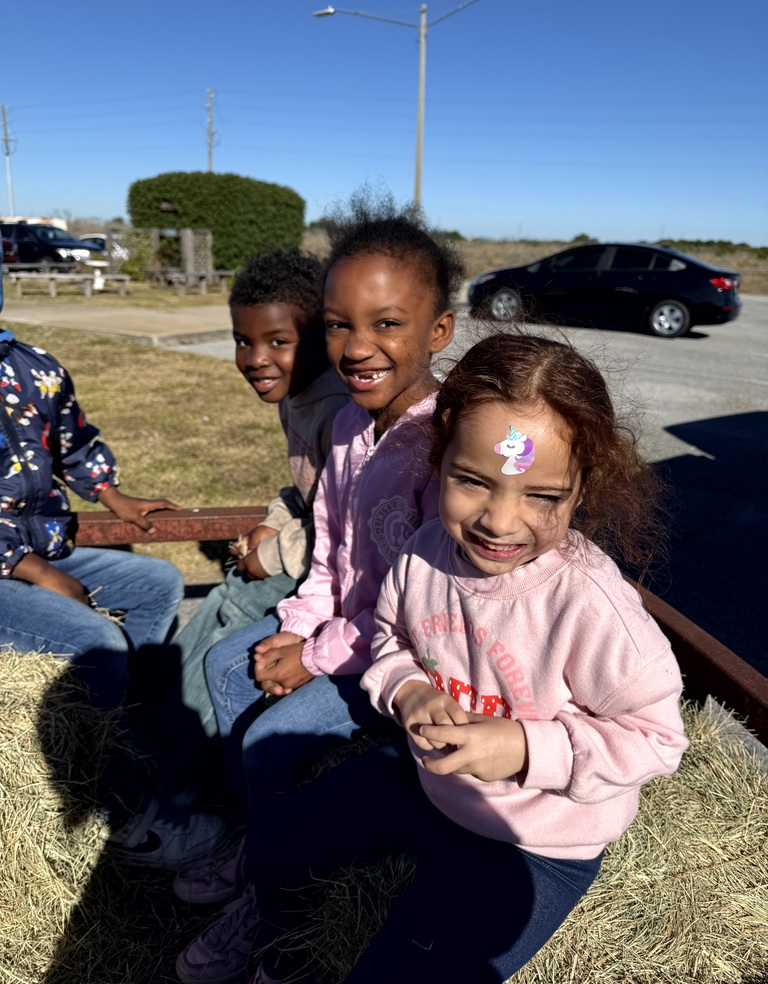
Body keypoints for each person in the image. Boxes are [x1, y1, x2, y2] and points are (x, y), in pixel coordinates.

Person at [208, 333, 688, 984]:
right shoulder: (424, 551)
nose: (500, 520)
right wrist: (407, 691)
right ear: (439, 461)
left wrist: (524, 749)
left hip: (536, 842)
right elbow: (390, 639)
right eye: (472, 482)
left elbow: (658, 740)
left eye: (541, 495)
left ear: (582, 489)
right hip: (428, 784)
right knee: (276, 839)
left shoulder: (590, 606)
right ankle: (280, 950)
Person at [174, 197, 463, 984]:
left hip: (406, 662)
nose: (357, 348)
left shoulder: (447, 446)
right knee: (234, 663)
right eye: (338, 324)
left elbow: (426, 604)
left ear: (439, 331)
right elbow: (333, 556)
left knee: (271, 737)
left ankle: (276, 913)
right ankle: (258, 840)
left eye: (386, 324)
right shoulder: (343, 429)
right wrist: (299, 626)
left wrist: (317, 654)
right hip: (344, 634)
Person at [0, 280, 226, 868]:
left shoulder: (35, 369)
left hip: (40, 543)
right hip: (10, 565)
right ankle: (116, 814)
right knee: (96, 640)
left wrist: (114, 497)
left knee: (158, 585)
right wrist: (30, 571)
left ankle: (129, 739)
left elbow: (71, 441)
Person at [169, 248, 350, 740]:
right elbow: (304, 492)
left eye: (278, 341)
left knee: (242, 604)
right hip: (305, 549)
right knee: (231, 591)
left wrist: (269, 556)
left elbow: (346, 528)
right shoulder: (295, 397)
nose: (255, 359)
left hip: (334, 574)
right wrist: (274, 517)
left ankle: (176, 749)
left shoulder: (339, 415)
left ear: (319, 337)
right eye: (242, 342)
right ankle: (161, 704)